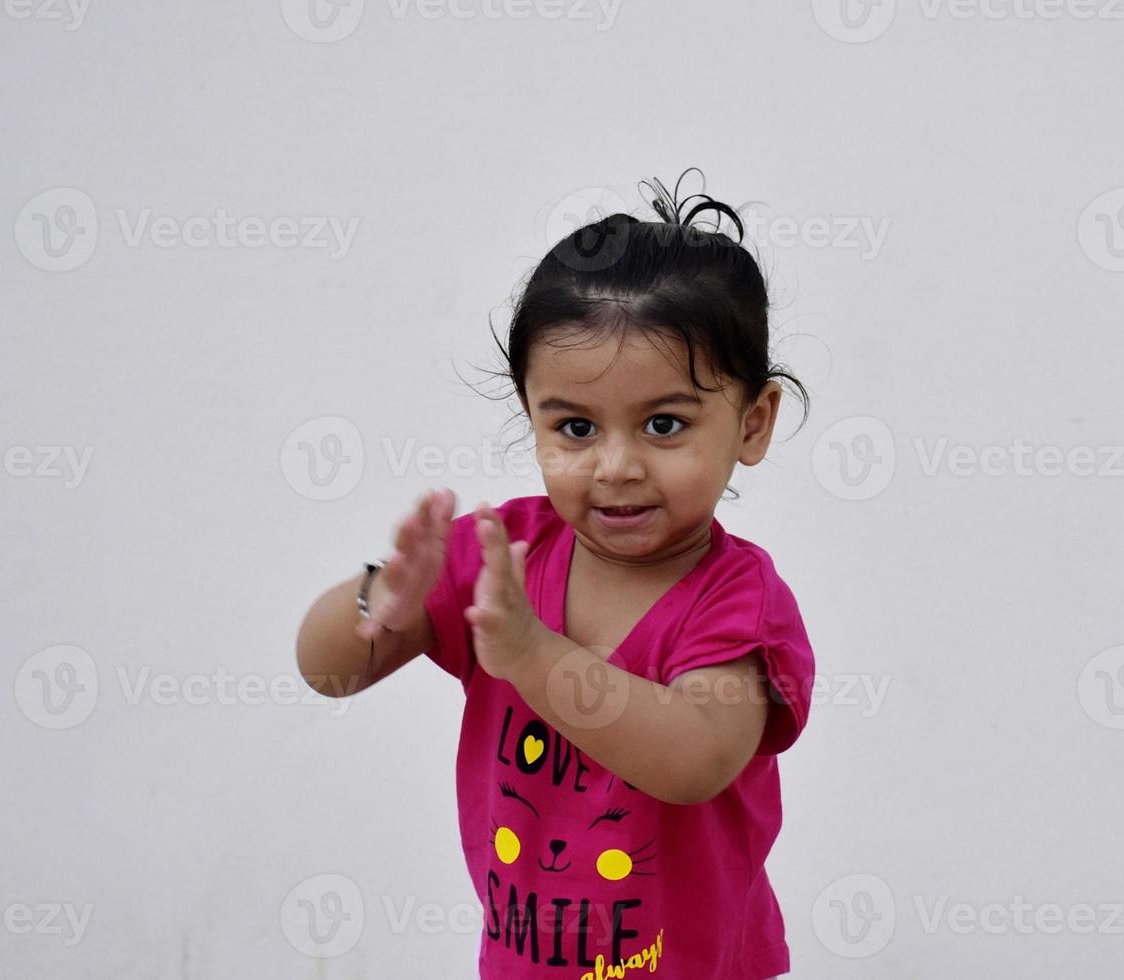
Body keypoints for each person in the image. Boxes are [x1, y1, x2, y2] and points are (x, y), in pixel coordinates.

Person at [296, 168, 816, 979]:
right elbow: (326, 674)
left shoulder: (735, 599)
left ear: (752, 423)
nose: (615, 465)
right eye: (574, 426)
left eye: (664, 424)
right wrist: (379, 600)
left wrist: (529, 653)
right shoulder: (504, 555)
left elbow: (695, 760)